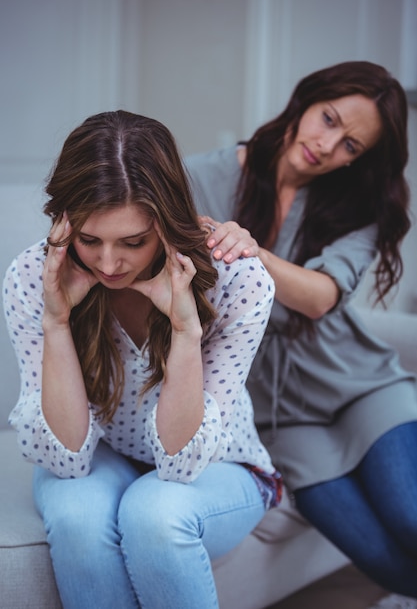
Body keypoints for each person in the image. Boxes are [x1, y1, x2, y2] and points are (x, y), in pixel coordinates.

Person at [3, 110, 282, 609]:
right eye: (89, 240)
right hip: (105, 455)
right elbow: (63, 459)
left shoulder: (239, 281)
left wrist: (183, 328)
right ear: (64, 222)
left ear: (167, 222)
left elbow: (180, 463)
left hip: (218, 466)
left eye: (133, 242)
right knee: (76, 515)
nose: (108, 264)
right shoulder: (34, 275)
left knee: (154, 512)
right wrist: (57, 322)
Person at [185, 60, 417, 602]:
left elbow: (319, 297)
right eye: (328, 119)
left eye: (351, 146)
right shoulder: (200, 178)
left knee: (410, 517)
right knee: (380, 555)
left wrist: (250, 249)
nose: (328, 144)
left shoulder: (359, 205)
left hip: (362, 387)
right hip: (280, 414)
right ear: (306, 100)